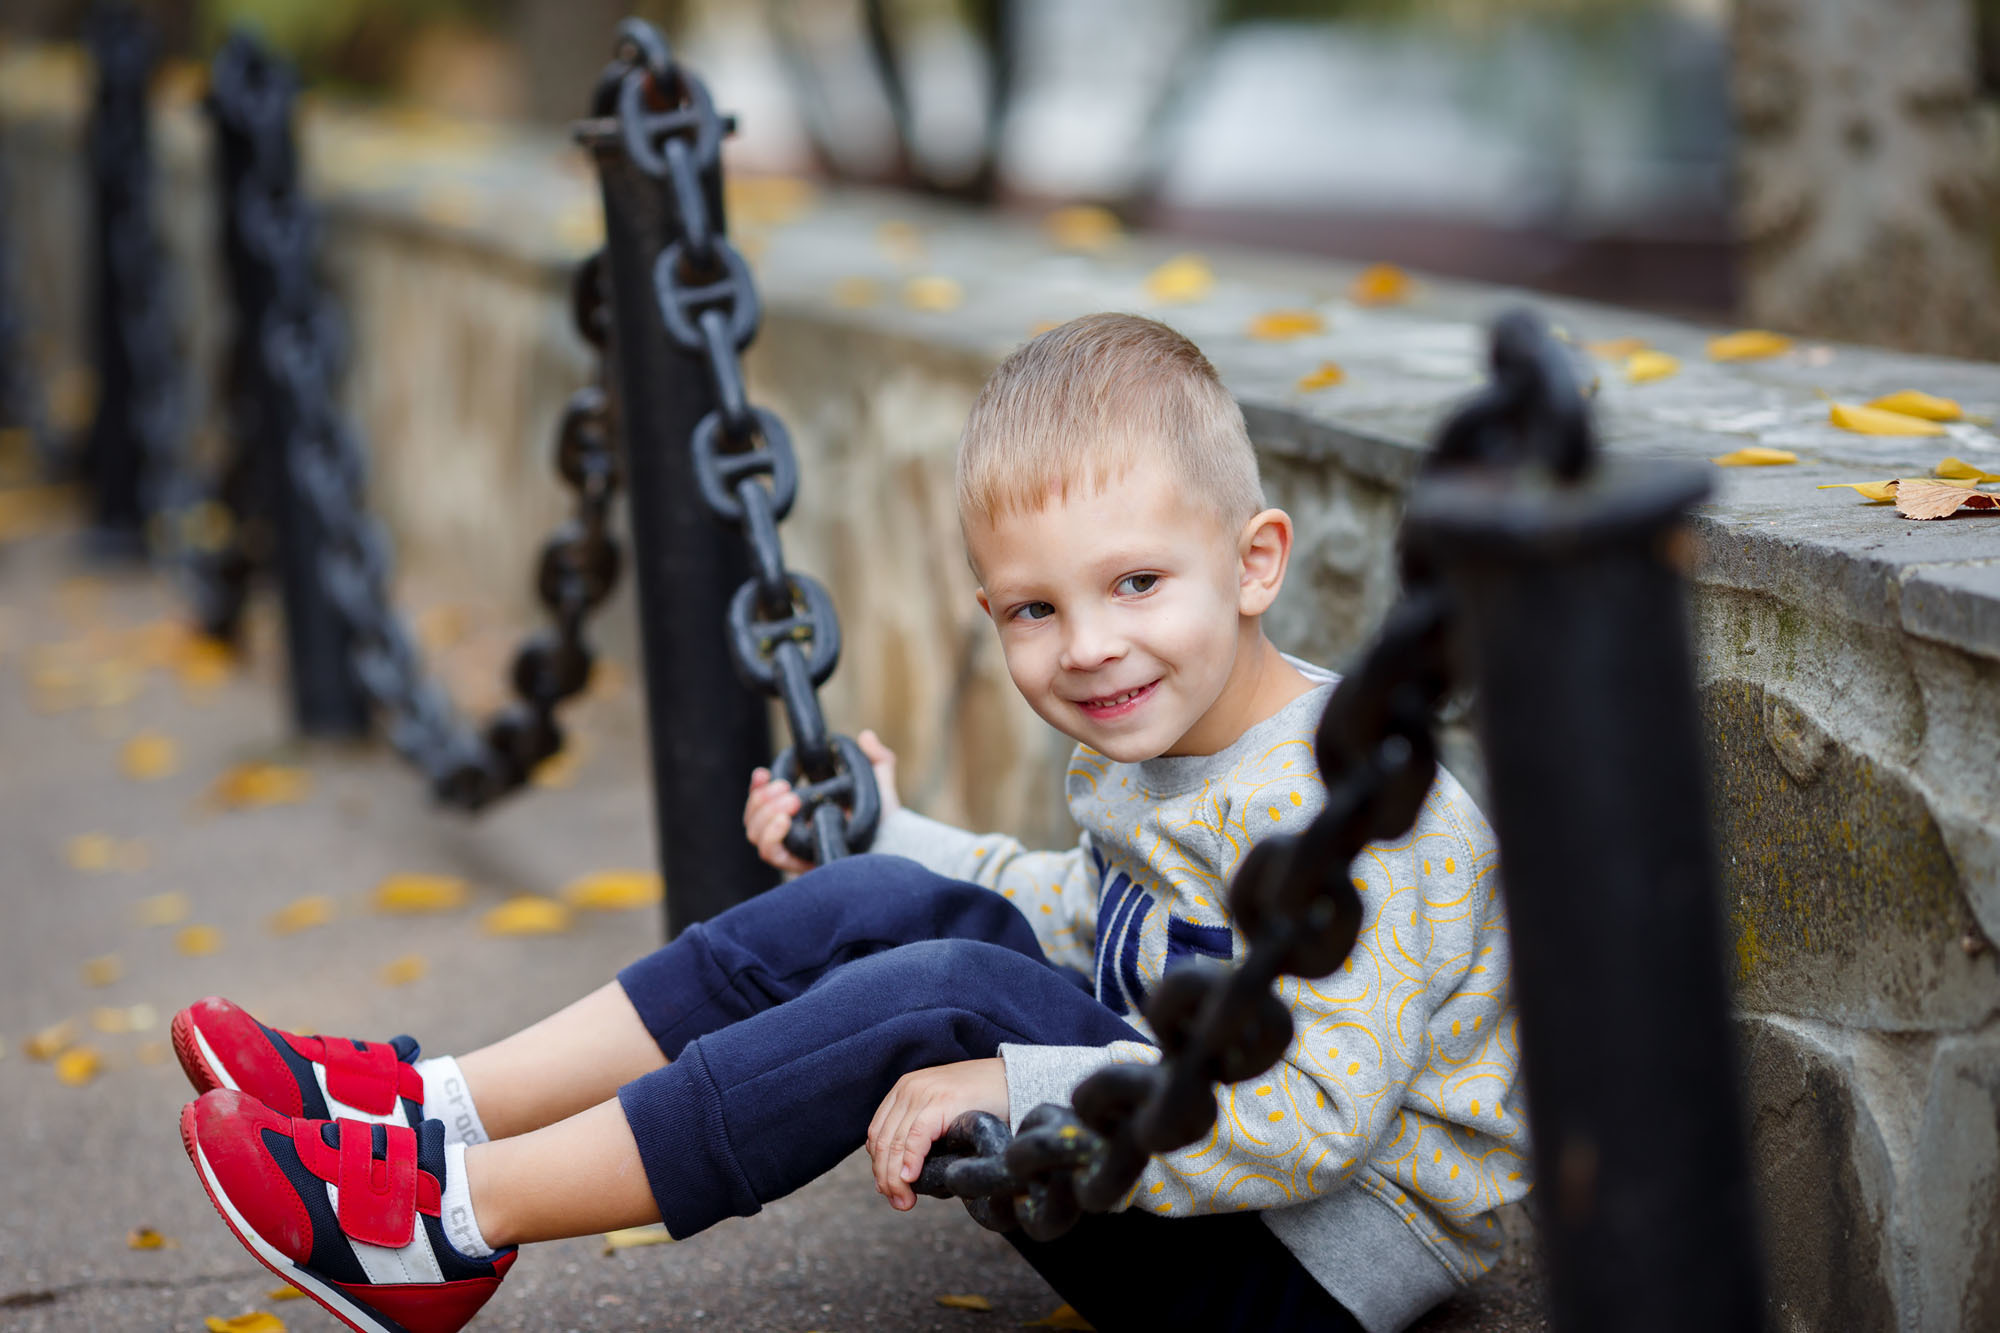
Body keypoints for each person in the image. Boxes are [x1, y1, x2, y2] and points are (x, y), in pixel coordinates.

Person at [174, 313, 1528, 1333]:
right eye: (1035, 608)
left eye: (1135, 583)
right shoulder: (1167, 737)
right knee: (885, 909)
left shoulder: (1355, 812)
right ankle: (434, 1109)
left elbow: (1317, 1121)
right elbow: (1082, 919)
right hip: (1185, 1170)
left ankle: (452, 1222)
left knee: (946, 995)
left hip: (1305, 1269)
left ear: (1255, 562)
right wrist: (887, 835)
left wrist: (1013, 1084)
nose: (1088, 646)